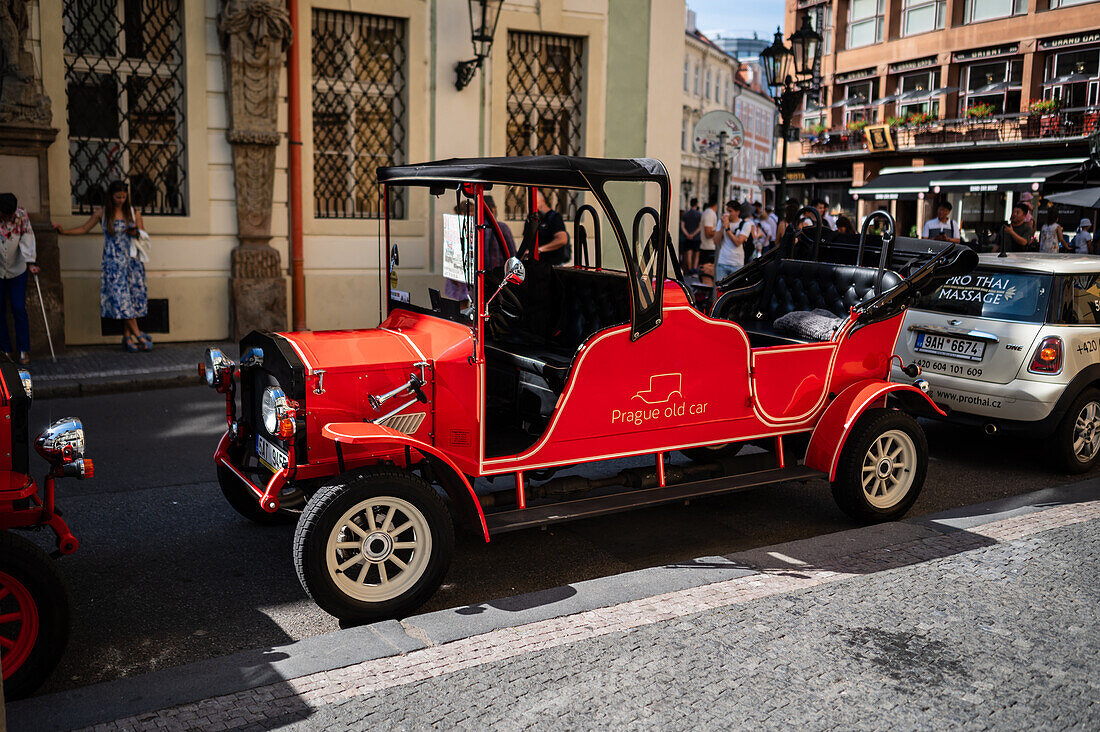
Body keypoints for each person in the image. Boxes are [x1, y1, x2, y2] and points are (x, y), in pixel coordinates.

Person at [54, 180, 151, 352]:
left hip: (132, 262)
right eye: (117, 196)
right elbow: (84, 228)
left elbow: (142, 234)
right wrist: (64, 231)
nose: (121, 199)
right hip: (113, 263)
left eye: (124, 196)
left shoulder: (133, 212)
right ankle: (139, 334)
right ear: (111, 196)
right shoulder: (103, 213)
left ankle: (127, 338)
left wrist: (135, 232)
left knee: (132, 301)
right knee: (121, 300)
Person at [0, 194, 38, 364]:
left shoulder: (21, 215)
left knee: (18, 308)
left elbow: (28, 237)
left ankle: (23, 349)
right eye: (4, 215)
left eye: (10, 214)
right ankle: (5, 350)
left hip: (17, 268)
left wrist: (31, 261)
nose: (8, 218)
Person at [715, 200, 752, 282]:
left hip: (737, 264)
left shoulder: (745, 224)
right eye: (727, 211)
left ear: (737, 212)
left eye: (730, 211)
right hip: (722, 262)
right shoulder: (722, 223)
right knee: (721, 291)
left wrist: (728, 229)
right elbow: (716, 241)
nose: (727, 214)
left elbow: (738, 242)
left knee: (734, 291)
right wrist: (722, 226)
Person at [533, 189, 569, 265]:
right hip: (537, 264)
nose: (535, 208)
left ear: (543, 201)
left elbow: (562, 239)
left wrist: (540, 249)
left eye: (536, 203)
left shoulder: (554, 217)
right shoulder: (532, 218)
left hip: (553, 264)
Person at [484, 195, 513, 269]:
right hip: (499, 272)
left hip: (481, 273)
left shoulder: (475, 228)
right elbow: (512, 253)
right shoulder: (502, 227)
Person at [679, 197, 702, 273]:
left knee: (689, 252)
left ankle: (689, 268)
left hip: (687, 237)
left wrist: (688, 234)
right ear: (696, 204)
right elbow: (700, 227)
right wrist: (693, 234)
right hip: (696, 237)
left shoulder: (685, 214)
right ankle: (694, 268)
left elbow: (682, 226)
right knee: (696, 253)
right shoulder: (699, 214)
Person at [698, 200, 719, 282]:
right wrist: (721, 231)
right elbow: (708, 233)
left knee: (709, 276)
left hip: (709, 248)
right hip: (708, 249)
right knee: (707, 277)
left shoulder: (710, 213)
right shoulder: (710, 213)